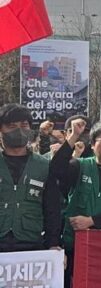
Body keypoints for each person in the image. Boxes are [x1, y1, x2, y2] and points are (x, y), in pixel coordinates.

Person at [0, 104, 63, 253]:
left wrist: (53, 243)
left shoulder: (44, 165)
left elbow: (52, 208)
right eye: (12, 126)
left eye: (24, 125)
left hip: (30, 242)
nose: (19, 130)